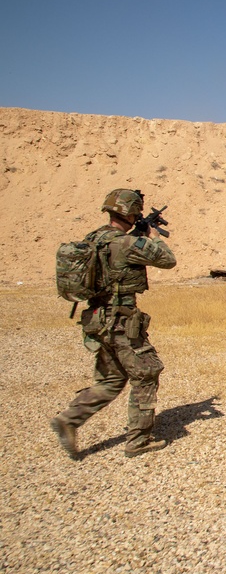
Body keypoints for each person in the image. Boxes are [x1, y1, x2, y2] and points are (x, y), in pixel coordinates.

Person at [50, 188, 177, 458]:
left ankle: (69, 419)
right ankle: (138, 441)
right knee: (147, 372)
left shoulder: (95, 238)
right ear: (131, 213)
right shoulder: (127, 244)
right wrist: (152, 237)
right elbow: (167, 260)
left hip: (96, 319)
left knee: (111, 379)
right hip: (121, 321)